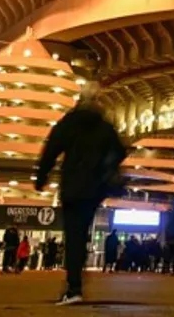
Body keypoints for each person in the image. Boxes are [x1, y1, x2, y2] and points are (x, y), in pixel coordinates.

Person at [35, 80, 128, 306]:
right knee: (82, 232)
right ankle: (76, 281)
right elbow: (120, 152)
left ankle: (74, 286)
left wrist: (41, 177)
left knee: (74, 236)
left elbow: (51, 149)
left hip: (73, 187)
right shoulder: (104, 127)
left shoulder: (69, 123)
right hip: (94, 189)